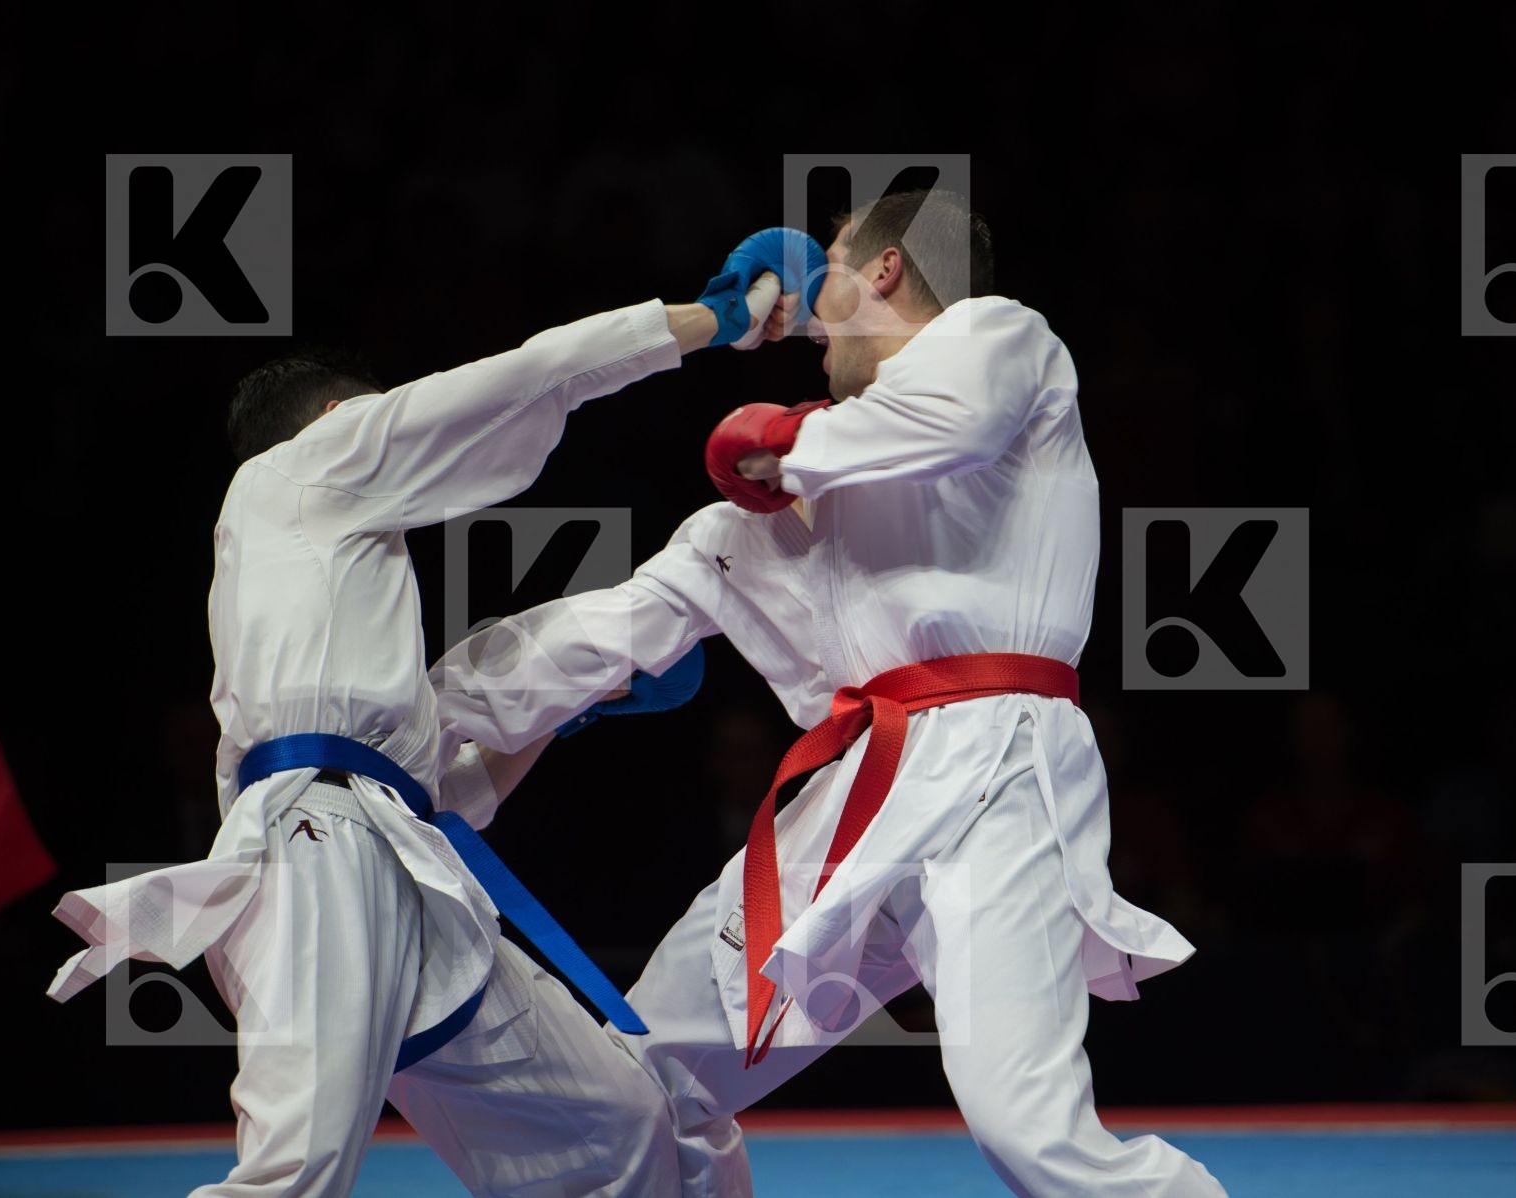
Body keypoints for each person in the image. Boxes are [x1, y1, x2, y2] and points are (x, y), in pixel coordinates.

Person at [434, 189, 1229, 1197]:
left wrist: (787, 424)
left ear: (888, 270)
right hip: (857, 798)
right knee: (644, 1074)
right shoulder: (772, 512)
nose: (814, 338)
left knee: (1029, 1131)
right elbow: (607, 628)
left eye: (836, 278)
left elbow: (954, 417)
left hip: (999, 773)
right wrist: (416, 719)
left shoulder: (1004, 339)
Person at [43, 244, 798, 1198]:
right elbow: (534, 373)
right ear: (337, 418)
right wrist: (708, 321)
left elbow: (448, 795)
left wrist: (564, 711)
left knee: (618, 1127)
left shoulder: (341, 610)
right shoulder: (303, 467)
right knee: (295, 1176)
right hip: (316, 849)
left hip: (407, 863)